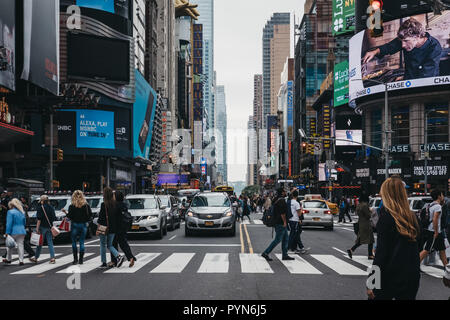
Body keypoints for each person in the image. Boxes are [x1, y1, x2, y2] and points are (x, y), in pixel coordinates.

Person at [367, 177, 420, 300]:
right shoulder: (414, 218)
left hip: (389, 277)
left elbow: (381, 254)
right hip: (411, 277)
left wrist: (371, 283)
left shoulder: (386, 219)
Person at [362, 17, 442, 81]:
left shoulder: (434, 47)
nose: (403, 45)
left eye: (406, 41)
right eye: (402, 41)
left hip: (427, 85)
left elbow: (426, 75)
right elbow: (389, 47)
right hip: (409, 80)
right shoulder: (405, 39)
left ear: (417, 36)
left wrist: (405, 81)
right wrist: (374, 52)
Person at [261, 188, 295, 262]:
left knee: (286, 238)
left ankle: (285, 255)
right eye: (285, 191)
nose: (285, 192)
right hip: (280, 223)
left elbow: (288, 197)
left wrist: (291, 192)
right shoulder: (281, 201)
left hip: (277, 222)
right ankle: (266, 252)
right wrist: (285, 222)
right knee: (278, 239)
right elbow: (282, 213)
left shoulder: (276, 199)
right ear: (282, 193)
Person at [419, 189, 449, 268]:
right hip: (433, 232)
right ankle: (414, 264)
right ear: (439, 196)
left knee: (442, 250)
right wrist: (436, 232)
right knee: (427, 249)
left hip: (435, 231)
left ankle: (446, 266)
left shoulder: (430, 205)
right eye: (442, 195)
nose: (443, 197)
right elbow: (435, 219)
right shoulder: (438, 206)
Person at [97, 187, 125, 269]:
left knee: (103, 245)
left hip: (104, 227)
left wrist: (98, 229)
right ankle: (119, 256)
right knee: (110, 245)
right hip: (113, 228)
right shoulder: (115, 204)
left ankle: (104, 262)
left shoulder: (103, 205)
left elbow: (101, 218)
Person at [63, 190, 92, 265]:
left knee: (74, 242)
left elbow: (69, 216)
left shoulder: (72, 206)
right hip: (83, 224)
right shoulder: (86, 205)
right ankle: (81, 259)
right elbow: (90, 215)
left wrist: (65, 212)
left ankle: (75, 259)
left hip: (75, 224)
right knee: (82, 242)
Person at [110, 191, 137, 268]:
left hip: (116, 227)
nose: (113, 197)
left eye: (114, 196)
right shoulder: (124, 205)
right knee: (123, 243)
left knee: (113, 244)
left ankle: (114, 261)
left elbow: (113, 217)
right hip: (123, 227)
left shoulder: (115, 205)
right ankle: (130, 257)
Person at [347, 194, 375, 260]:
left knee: (361, 239)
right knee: (370, 240)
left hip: (361, 223)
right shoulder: (365, 205)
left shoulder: (359, 205)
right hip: (366, 224)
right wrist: (371, 211)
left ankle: (351, 250)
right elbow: (368, 215)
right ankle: (370, 255)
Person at [32, 195, 57, 264]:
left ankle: (36, 257)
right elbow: (54, 217)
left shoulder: (40, 208)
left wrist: (37, 228)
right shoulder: (51, 207)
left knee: (39, 243)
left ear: (42, 201)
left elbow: (39, 219)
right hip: (49, 226)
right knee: (50, 242)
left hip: (42, 227)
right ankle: (52, 258)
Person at [3, 199, 27, 265]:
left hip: (13, 230)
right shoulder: (22, 212)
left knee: (9, 245)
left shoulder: (10, 212)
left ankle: (9, 259)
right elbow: (24, 222)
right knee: (20, 245)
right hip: (22, 230)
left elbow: (9, 223)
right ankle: (21, 260)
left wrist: (7, 232)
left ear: (11, 205)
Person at [288, 190, 309, 254]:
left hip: (290, 219)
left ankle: (297, 247)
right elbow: (299, 214)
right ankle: (289, 248)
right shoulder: (296, 203)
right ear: (297, 195)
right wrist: (301, 210)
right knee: (293, 235)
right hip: (295, 220)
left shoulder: (289, 202)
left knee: (294, 234)